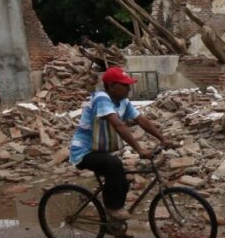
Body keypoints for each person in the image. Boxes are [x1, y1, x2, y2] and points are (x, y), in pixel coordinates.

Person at [69, 67, 173, 221]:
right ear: (111, 86)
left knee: (122, 181)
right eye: (124, 85)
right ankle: (112, 209)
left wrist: (163, 139)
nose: (128, 89)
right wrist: (139, 149)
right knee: (114, 165)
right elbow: (118, 125)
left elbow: (141, 120)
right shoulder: (101, 98)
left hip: (99, 150)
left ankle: (114, 222)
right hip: (83, 151)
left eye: (128, 85)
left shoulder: (123, 101)